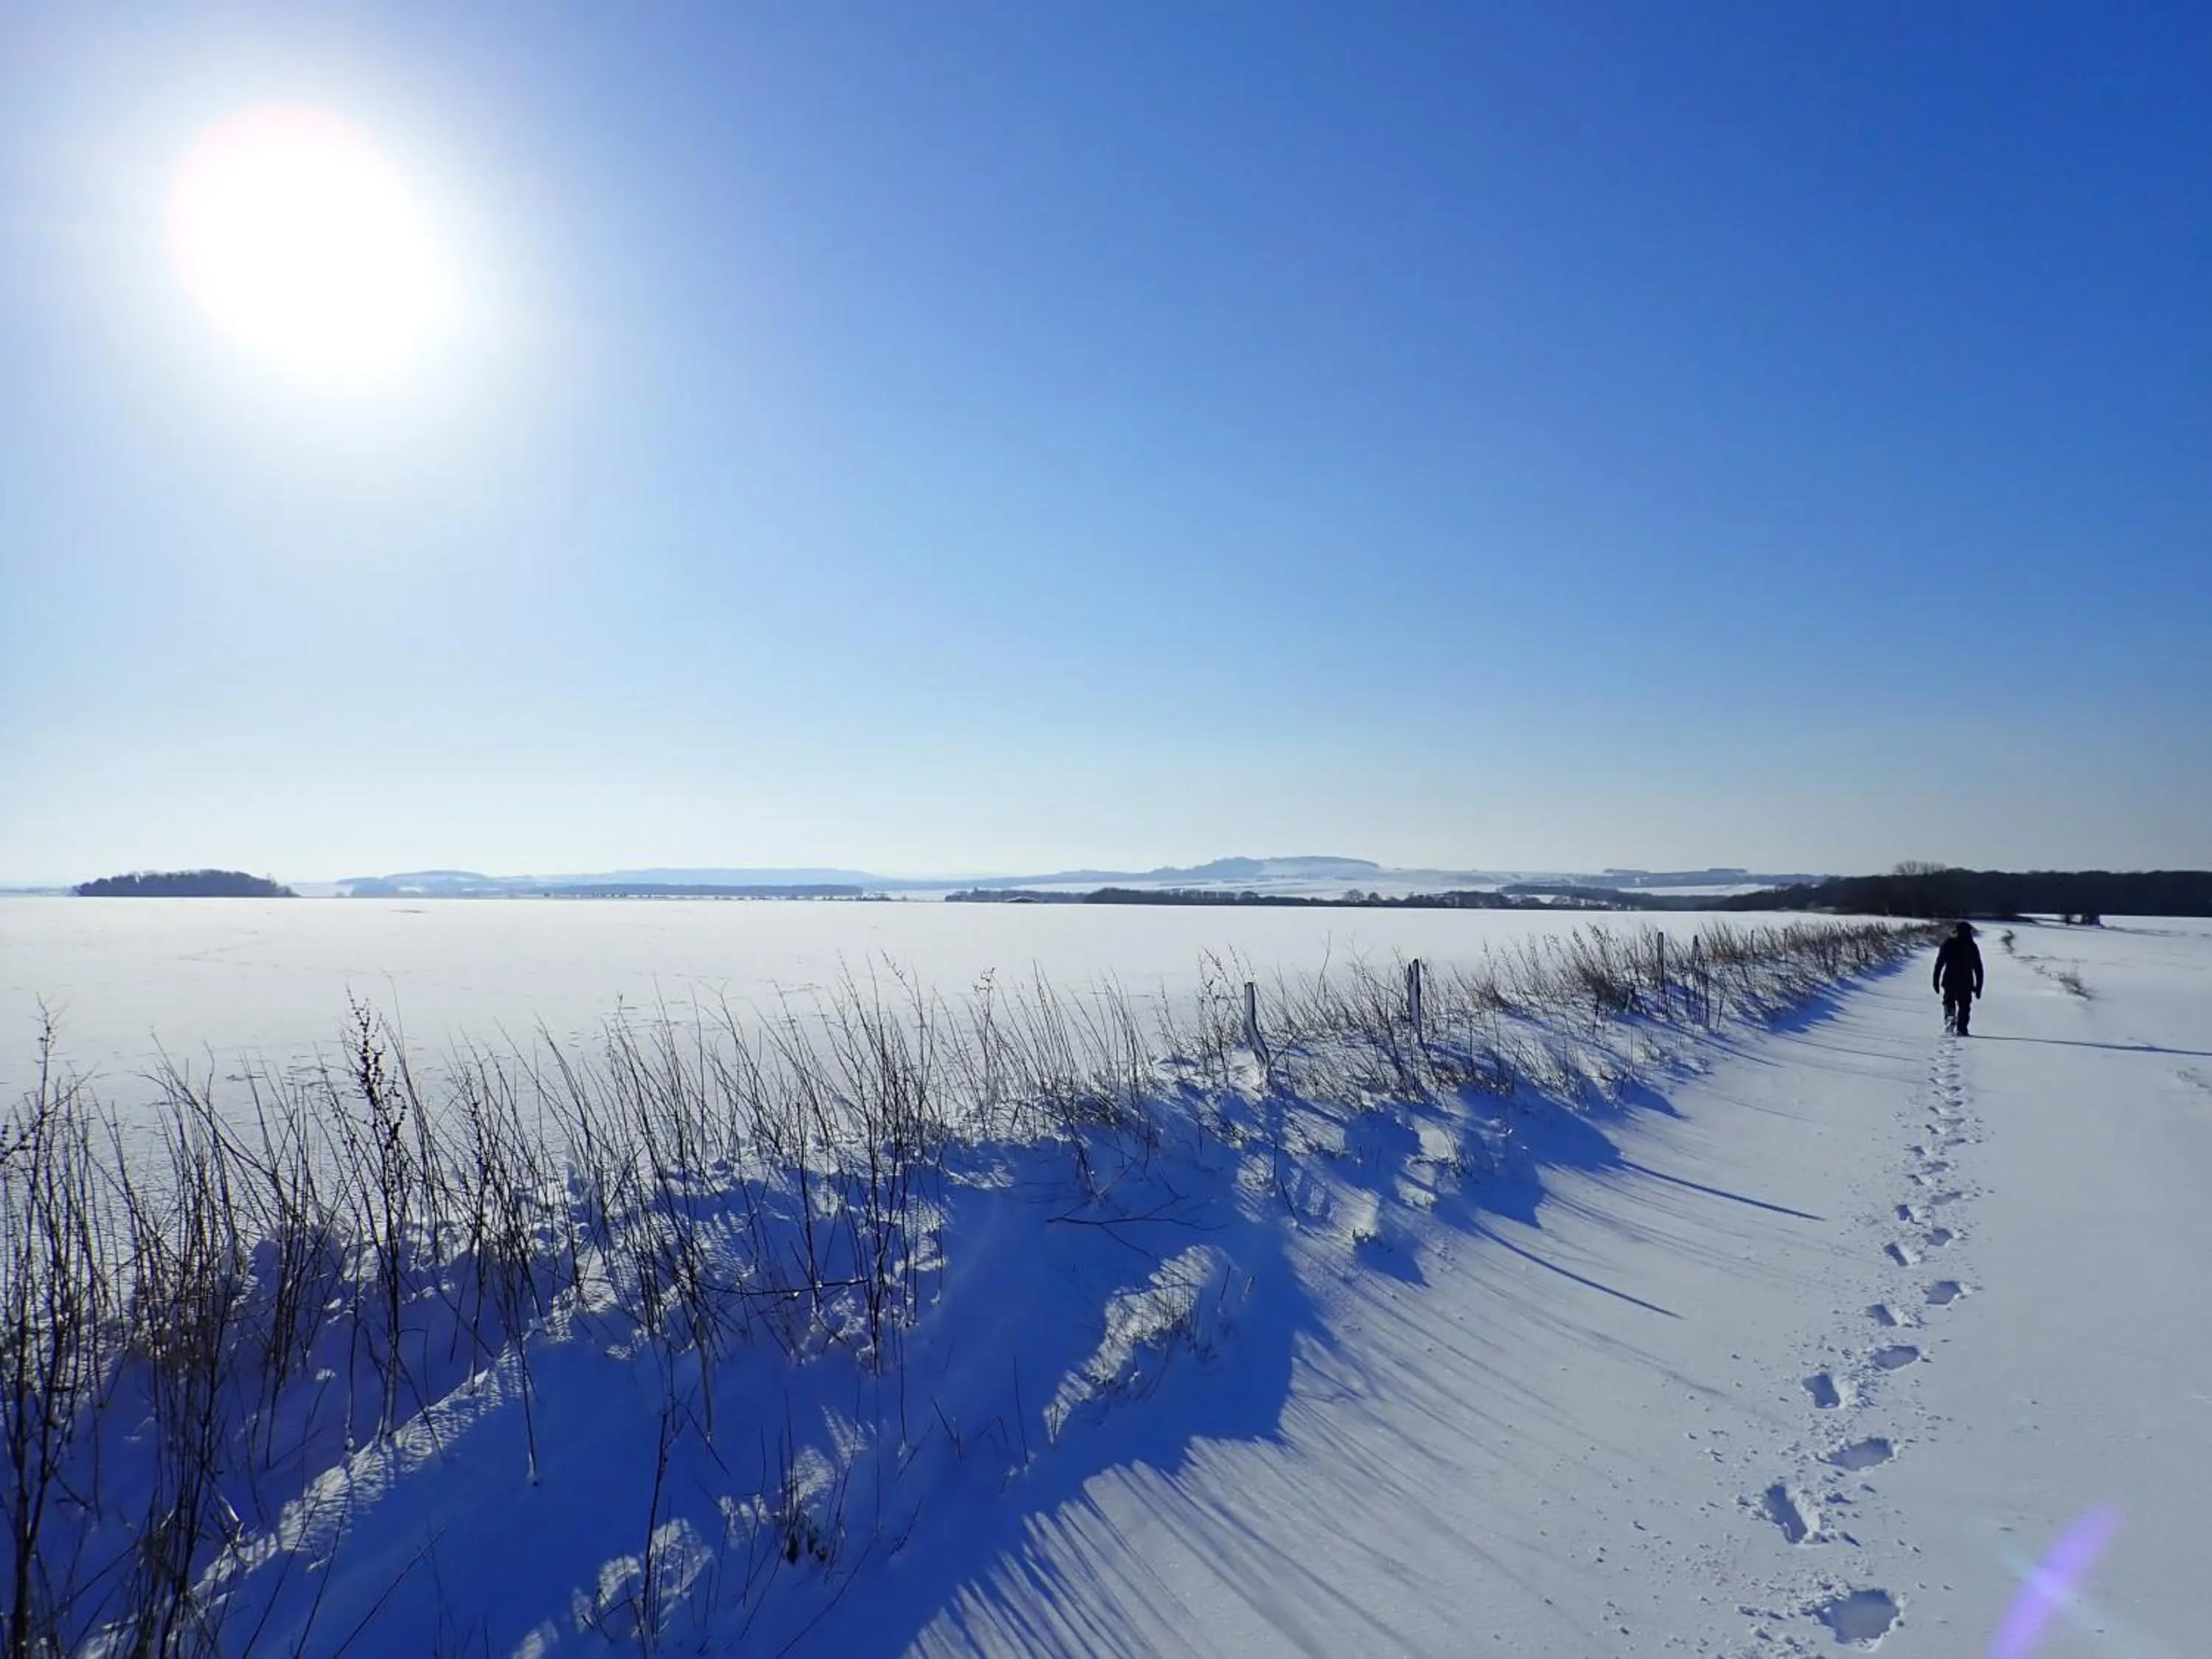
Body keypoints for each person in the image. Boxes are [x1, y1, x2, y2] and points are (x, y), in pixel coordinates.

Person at [1933, 921, 1984, 1034]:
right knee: (1964, 1006)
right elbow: (1978, 967)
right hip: (1966, 982)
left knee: (1949, 1001)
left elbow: (1939, 963)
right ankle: (1962, 1028)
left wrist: (1935, 981)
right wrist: (1979, 987)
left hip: (1950, 980)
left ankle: (1950, 1016)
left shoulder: (1948, 943)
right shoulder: (1971, 946)